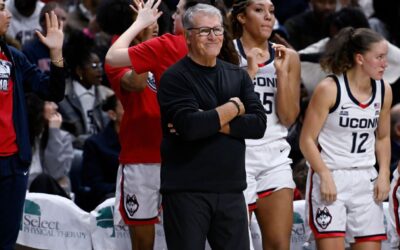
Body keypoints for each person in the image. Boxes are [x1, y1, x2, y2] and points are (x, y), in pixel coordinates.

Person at [105, 0, 238, 248]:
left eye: (158, 15)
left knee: (188, 237)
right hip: (141, 157)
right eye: (145, 17)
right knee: (145, 242)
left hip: (181, 158)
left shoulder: (173, 46)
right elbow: (136, 84)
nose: (154, 22)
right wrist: (143, 37)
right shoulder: (127, 51)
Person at [157, 3, 266, 249]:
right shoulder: (174, 77)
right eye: (205, 31)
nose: (213, 37)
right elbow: (191, 127)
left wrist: (210, 119)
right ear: (187, 36)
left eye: (217, 30)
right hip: (186, 191)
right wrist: (234, 108)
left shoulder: (237, 75)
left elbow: (258, 125)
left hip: (231, 190)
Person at [300, 27, 391, 250]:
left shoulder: (384, 90)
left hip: (366, 178)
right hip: (332, 174)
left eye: (385, 57)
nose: (385, 64)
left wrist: (384, 173)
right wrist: (324, 174)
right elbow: (307, 140)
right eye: (379, 57)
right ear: (360, 58)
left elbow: (383, 137)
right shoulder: (329, 88)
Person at [230, 0, 300, 249]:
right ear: (241, 17)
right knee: (239, 244)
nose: (268, 17)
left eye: (271, 11)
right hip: (236, 154)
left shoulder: (288, 56)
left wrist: (280, 73)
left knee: (280, 245)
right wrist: (249, 74)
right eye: (259, 10)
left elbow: (289, 117)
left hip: (274, 155)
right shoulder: (226, 52)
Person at [0, 4, 65, 250]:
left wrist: (56, 52)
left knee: (6, 242)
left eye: (6, 9)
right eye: (0, 9)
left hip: (13, 163)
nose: (7, 15)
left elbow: (53, 91)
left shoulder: (14, 58)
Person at [25, 93, 73, 198]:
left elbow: (56, 173)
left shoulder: (63, 138)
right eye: (49, 102)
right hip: (25, 194)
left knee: (43, 180)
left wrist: (54, 132)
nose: (56, 106)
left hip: (52, 196)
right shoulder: (20, 137)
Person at [81, 94, 122, 211]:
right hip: (107, 201)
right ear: (112, 114)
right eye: (126, 106)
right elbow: (94, 185)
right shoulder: (95, 144)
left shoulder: (143, 142)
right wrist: (125, 188)